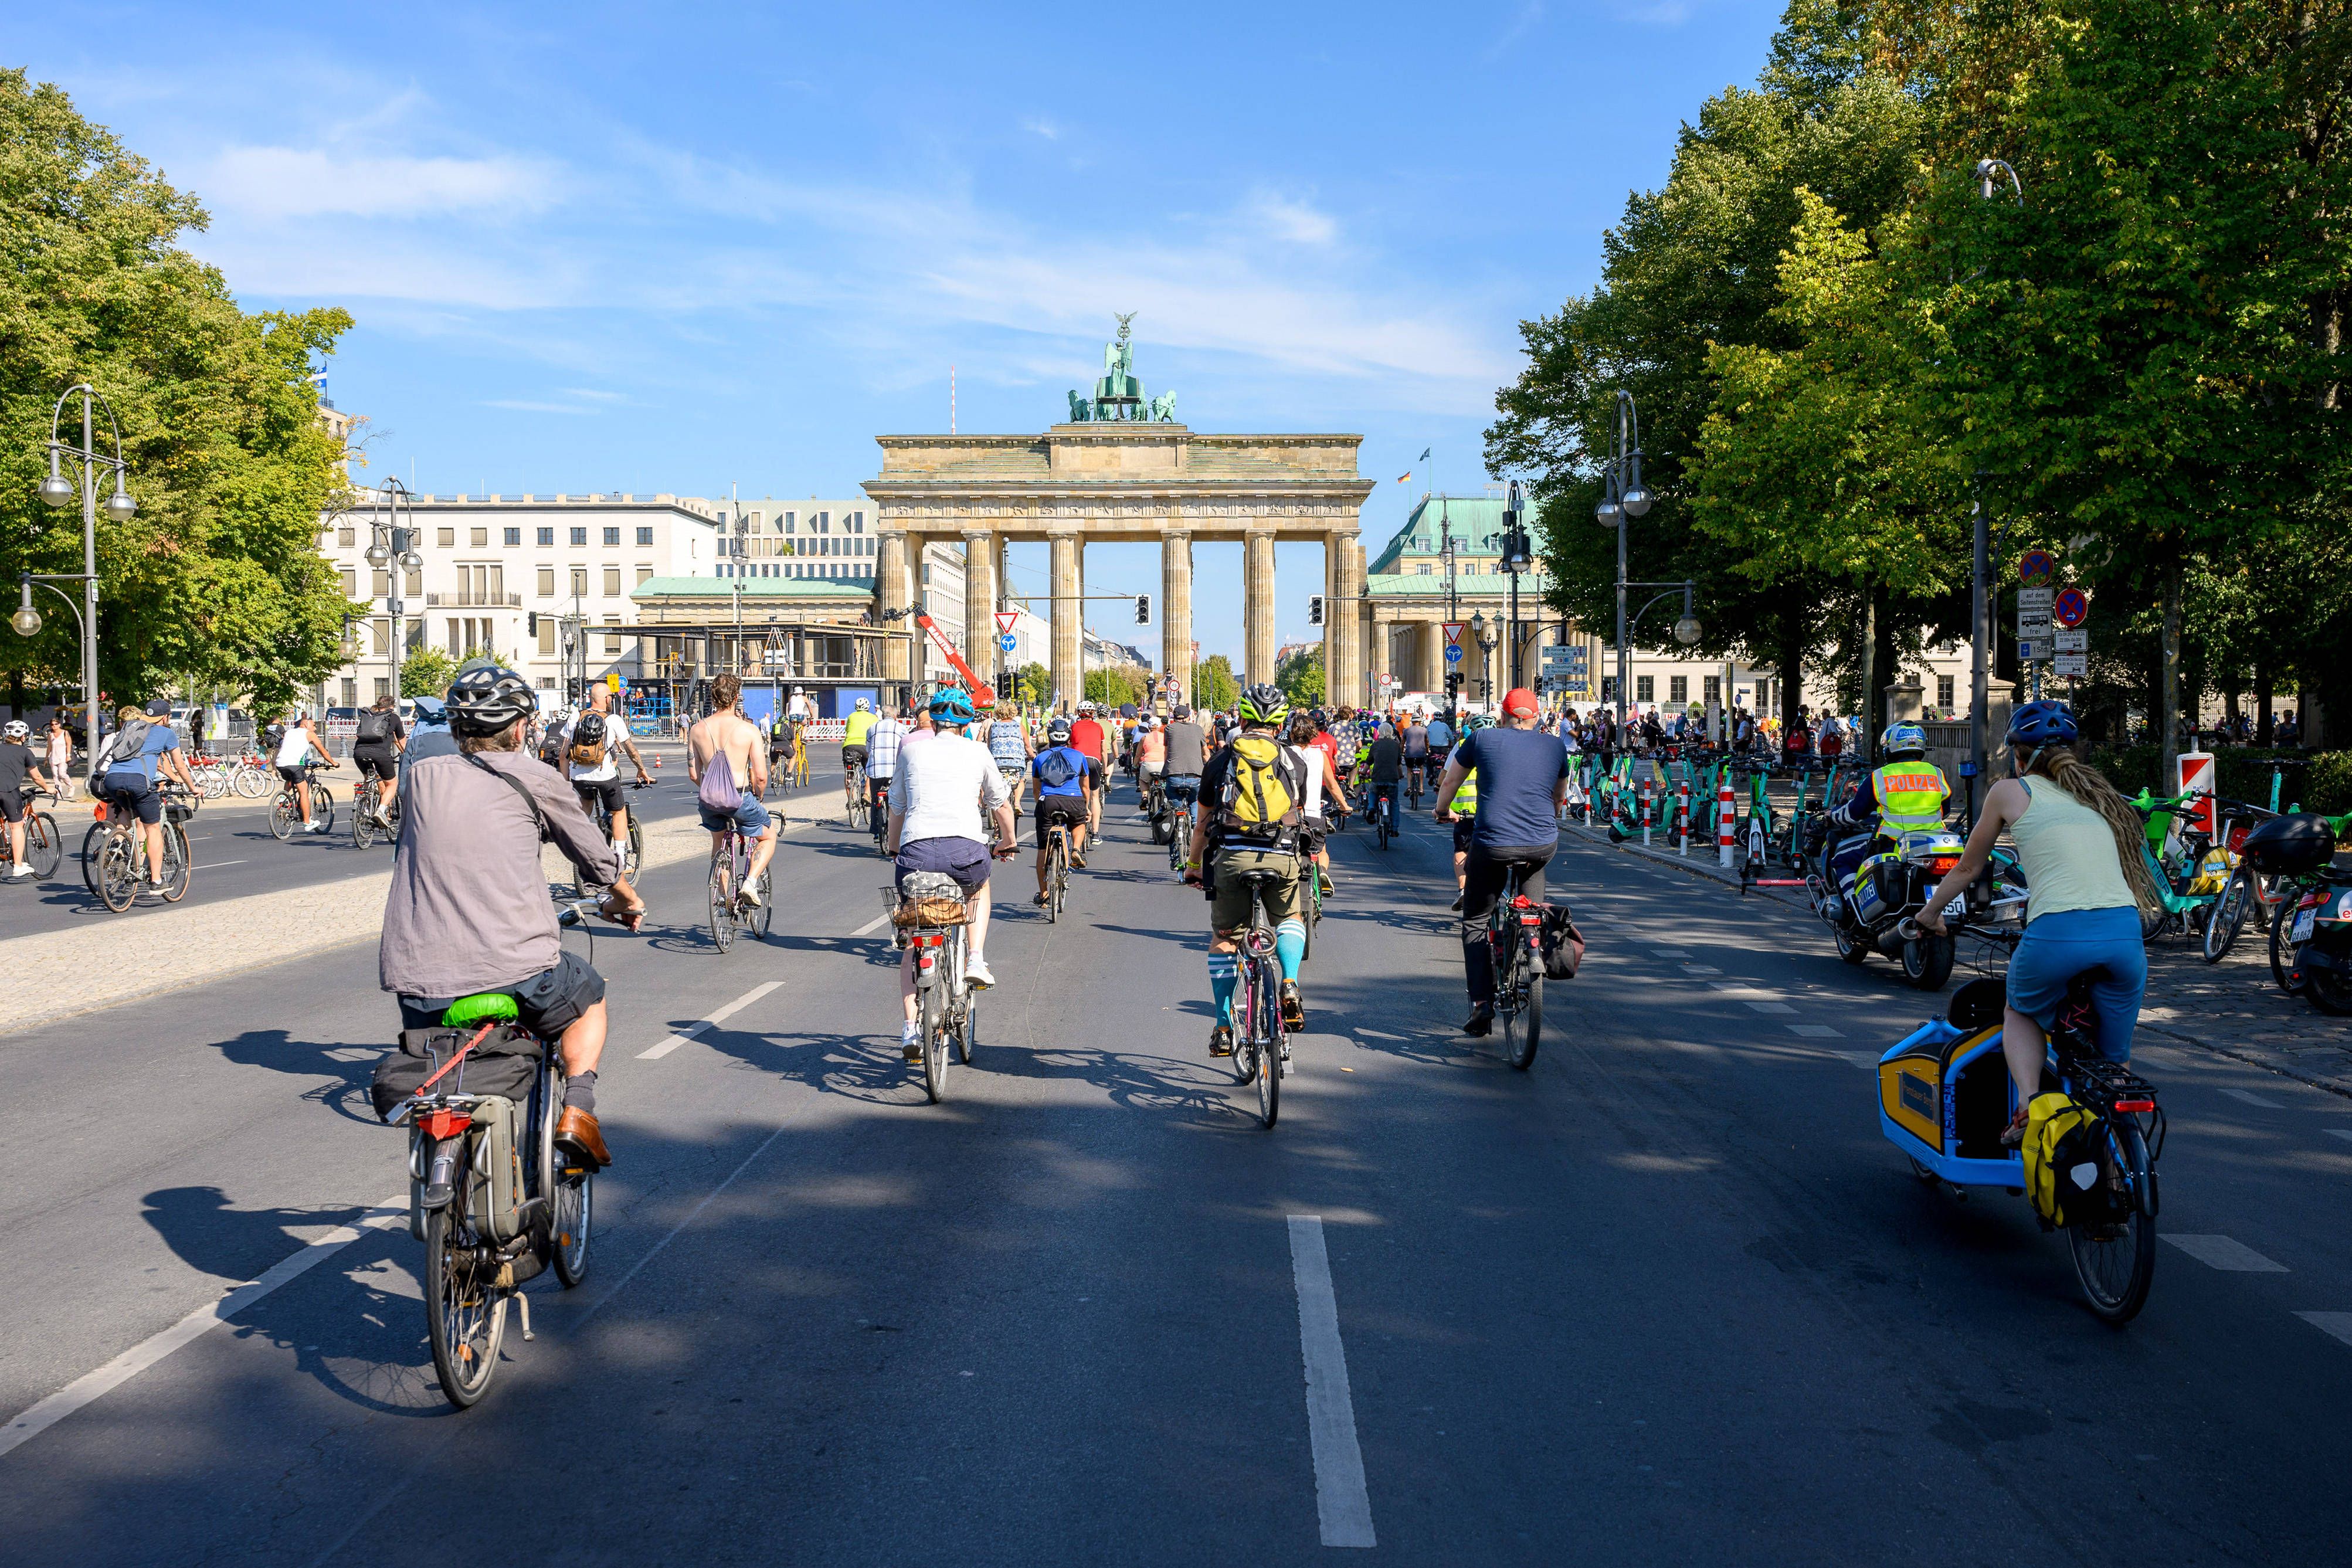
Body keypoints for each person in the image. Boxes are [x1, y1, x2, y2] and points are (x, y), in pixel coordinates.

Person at [381, 664, 643, 1169]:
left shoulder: (420, 779)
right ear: (521, 728)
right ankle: (578, 1112)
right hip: (519, 968)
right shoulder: (537, 778)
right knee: (589, 997)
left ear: (457, 727)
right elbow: (596, 859)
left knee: (439, 1063)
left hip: (415, 973)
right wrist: (625, 901)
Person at [1919, 701, 2160, 1145]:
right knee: (2114, 1061)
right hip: (2125, 934)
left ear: (2019, 754)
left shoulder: (2008, 792)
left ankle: (2029, 1102)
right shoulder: (2098, 795)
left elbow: (1968, 869)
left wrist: (1929, 914)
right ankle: (2118, 1167)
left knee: (2020, 1010)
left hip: (2057, 933)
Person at [885, 688, 1018, 1058]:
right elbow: (1000, 804)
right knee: (978, 888)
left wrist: (896, 849)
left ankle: (911, 1029)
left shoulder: (910, 750)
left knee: (914, 940)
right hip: (966, 850)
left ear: (933, 720)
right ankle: (975, 957)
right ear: (966, 723)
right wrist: (1008, 840)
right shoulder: (978, 751)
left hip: (916, 853)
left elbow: (897, 806)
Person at [1434, 689, 1570, 1035]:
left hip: (1493, 843)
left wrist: (1440, 810)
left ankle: (1482, 1003)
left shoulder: (1481, 738)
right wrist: (1552, 813)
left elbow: (1452, 779)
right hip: (1542, 844)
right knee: (1533, 906)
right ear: (1537, 717)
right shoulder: (1555, 745)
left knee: (1476, 920)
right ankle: (1534, 939)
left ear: (1503, 715)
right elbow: (1559, 794)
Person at [1185, 684, 1312, 1050]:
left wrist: (1194, 865)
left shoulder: (1222, 761)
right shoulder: (1294, 761)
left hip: (1232, 858)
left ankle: (1224, 1027)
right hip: (1281, 855)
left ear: (1241, 719)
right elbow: (1298, 814)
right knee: (1290, 918)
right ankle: (1289, 981)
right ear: (1281, 723)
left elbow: (1202, 823)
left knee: (1225, 937)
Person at [1824, 722, 1951, 901]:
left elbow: (1855, 813)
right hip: (1933, 847)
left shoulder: (1880, 776)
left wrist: (1833, 816)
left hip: (1893, 846)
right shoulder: (1936, 773)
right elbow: (1945, 811)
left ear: (1890, 747)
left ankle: (1854, 908)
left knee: (1841, 860)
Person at [687, 674, 779, 908]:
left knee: (719, 844)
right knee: (768, 836)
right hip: (739, 797)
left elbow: (694, 774)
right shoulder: (748, 730)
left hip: (708, 801)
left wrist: (713, 788)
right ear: (736, 698)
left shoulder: (697, 729)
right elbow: (760, 775)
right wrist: (758, 796)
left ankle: (725, 896)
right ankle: (750, 882)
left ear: (712, 698)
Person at [562, 684, 653, 863]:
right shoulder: (613, 720)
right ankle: (619, 857)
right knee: (619, 811)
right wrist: (641, 769)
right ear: (607, 699)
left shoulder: (576, 716)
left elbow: (562, 754)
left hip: (579, 777)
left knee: (586, 802)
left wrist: (566, 781)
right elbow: (631, 750)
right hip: (605, 777)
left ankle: (578, 843)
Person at [1030, 717, 1098, 892]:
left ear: (1049, 737)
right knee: (1078, 823)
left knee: (1042, 850)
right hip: (1074, 801)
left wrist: (1042, 805)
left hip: (1048, 802)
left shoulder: (1040, 758)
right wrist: (1086, 807)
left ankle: (1044, 894)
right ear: (1069, 738)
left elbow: (1036, 790)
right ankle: (1075, 849)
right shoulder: (1079, 756)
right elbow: (1085, 787)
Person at [1286, 711, 1349, 897]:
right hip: (1313, 815)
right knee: (1321, 850)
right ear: (1313, 734)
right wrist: (1344, 806)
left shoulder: (1284, 753)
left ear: (1292, 735)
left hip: (1290, 817)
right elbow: (1332, 785)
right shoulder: (1320, 755)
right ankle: (1321, 870)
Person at [1, 718, 56, 878]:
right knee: (16, 826)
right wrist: (48, 788)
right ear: (24, 737)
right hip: (9, 791)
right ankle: (18, 866)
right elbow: (37, 777)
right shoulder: (25, 752)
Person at [273, 711, 332, 833]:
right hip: (295, 764)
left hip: (280, 763)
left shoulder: (289, 732)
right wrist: (333, 763)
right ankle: (307, 822)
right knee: (304, 792)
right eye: (314, 725)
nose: (315, 728)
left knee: (290, 779)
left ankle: (283, 799)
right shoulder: (309, 734)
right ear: (306, 725)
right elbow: (323, 751)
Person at [351, 693, 407, 823]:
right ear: (391, 706)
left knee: (368, 778)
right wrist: (410, 755)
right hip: (380, 754)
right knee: (392, 784)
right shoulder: (393, 718)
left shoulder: (367, 716)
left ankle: (364, 807)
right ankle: (381, 810)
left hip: (359, 753)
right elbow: (402, 742)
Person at [863, 701, 911, 848]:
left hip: (875, 770)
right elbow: (907, 748)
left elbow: (868, 749)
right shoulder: (902, 728)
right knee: (896, 800)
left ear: (882, 716)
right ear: (896, 716)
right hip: (894, 771)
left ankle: (876, 832)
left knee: (875, 798)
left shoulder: (872, 728)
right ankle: (895, 829)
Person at [985, 703, 1033, 820]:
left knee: (995, 790)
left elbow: (989, 745)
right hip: (1016, 763)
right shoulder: (1019, 727)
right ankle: (1017, 803)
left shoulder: (994, 726)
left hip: (997, 764)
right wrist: (1033, 756)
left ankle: (997, 824)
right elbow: (1028, 747)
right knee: (1020, 780)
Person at [1069, 701, 1108, 834]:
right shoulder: (1098, 728)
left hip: (1077, 761)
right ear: (1093, 713)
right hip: (1094, 762)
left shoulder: (1074, 727)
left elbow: (1069, 747)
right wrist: (1105, 769)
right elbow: (1103, 750)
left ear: (1079, 713)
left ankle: (1074, 826)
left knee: (1076, 793)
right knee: (1095, 797)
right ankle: (1096, 833)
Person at [1364, 721, 1404, 834]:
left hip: (1378, 778)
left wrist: (1363, 772)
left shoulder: (1375, 745)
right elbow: (1398, 764)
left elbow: (1369, 762)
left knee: (1373, 792)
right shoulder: (1396, 745)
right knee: (1394, 803)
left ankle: (1372, 808)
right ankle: (1395, 829)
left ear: (1379, 732)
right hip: (1392, 779)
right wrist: (1400, 775)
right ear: (1391, 732)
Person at [841, 695, 878, 809]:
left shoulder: (851, 716)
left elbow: (847, 730)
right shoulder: (874, 718)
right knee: (870, 772)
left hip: (850, 747)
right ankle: (866, 794)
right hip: (866, 747)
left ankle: (851, 800)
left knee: (849, 773)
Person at [44, 714, 74, 802]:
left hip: (63, 757)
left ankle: (71, 787)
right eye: (52, 725)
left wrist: (68, 755)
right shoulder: (51, 735)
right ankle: (58, 792)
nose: (54, 726)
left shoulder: (65, 733)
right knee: (55, 776)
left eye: (56, 724)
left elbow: (69, 744)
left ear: (59, 724)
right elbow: (49, 747)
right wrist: (46, 758)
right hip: (53, 758)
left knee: (62, 774)